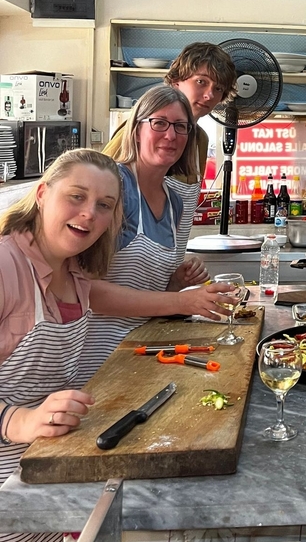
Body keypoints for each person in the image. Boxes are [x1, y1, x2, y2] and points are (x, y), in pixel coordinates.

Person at [0, 149, 123, 542]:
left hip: (40, 471)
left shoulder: (74, 275)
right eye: (76, 196)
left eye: (104, 205)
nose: (89, 213)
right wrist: (18, 418)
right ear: (41, 194)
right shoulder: (5, 266)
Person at [79, 85, 227, 382]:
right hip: (93, 362)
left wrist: (176, 282)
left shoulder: (173, 199)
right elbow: (85, 291)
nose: (170, 136)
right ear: (136, 130)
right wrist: (181, 302)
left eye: (180, 127)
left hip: (141, 354)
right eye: (159, 123)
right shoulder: (113, 187)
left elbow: (151, 296)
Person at [104, 41, 237, 183]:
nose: (209, 95)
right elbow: (96, 180)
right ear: (176, 81)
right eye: (201, 82)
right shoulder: (143, 128)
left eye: (218, 89)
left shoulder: (201, 139)